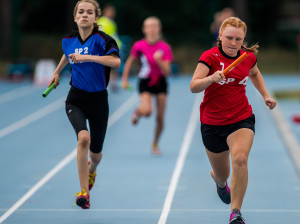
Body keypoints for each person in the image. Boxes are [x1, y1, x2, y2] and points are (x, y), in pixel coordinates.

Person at [190, 17, 276, 223]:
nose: (233, 43)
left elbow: (254, 73)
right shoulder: (209, 57)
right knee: (222, 174)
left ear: (243, 40)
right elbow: (193, 86)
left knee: (240, 159)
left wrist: (265, 96)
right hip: (212, 123)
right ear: (219, 36)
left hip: (240, 118)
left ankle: (235, 213)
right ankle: (220, 183)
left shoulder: (247, 57)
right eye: (229, 37)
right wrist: (211, 78)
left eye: (238, 39)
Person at [48, 0, 120, 209]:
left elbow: (116, 62)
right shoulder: (68, 40)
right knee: (83, 138)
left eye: (89, 12)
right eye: (81, 12)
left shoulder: (103, 40)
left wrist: (86, 57)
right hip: (76, 99)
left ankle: (92, 170)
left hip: (98, 100)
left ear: (95, 18)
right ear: (75, 17)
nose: (85, 15)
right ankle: (84, 193)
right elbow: (67, 53)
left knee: (96, 155)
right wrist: (56, 71)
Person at [121, 16, 173, 155]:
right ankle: (138, 111)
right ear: (144, 30)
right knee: (148, 111)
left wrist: (159, 61)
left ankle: (155, 143)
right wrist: (124, 79)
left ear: (159, 29)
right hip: (145, 81)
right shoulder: (139, 46)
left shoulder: (165, 48)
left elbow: (168, 72)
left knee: (160, 118)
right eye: (149, 26)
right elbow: (130, 62)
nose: (152, 29)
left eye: (155, 26)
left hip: (160, 81)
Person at [97, 4, 122, 92]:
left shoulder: (112, 22)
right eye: (110, 11)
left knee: (113, 66)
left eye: (113, 11)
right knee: (105, 66)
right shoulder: (102, 22)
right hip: (106, 48)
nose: (112, 13)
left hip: (113, 47)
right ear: (105, 12)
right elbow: (101, 35)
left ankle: (113, 84)